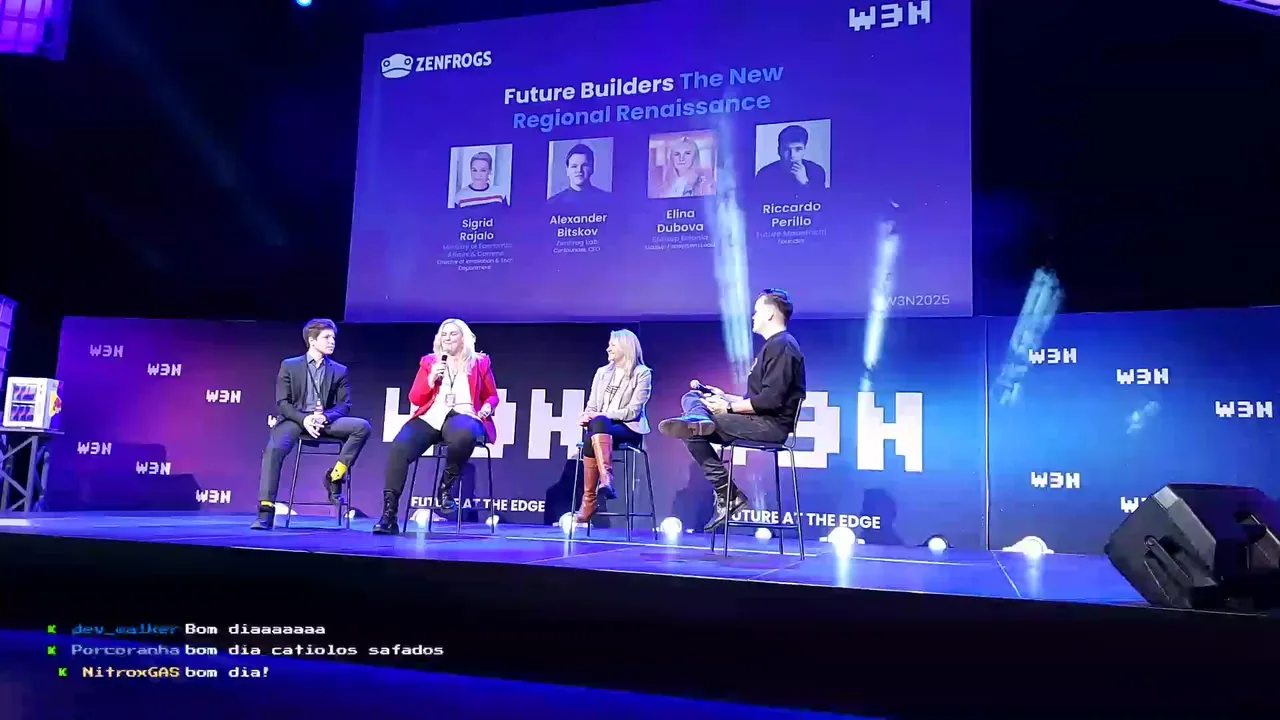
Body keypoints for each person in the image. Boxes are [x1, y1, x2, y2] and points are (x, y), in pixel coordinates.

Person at [657, 289, 806, 531]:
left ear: (770, 313)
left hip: (771, 427)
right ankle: (698, 418)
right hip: (759, 419)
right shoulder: (773, 347)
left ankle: (727, 493)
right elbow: (755, 400)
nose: (753, 316)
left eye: (757, 311)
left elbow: (770, 401)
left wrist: (727, 407)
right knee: (694, 397)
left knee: (691, 430)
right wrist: (723, 396)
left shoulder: (783, 346)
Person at [373, 318, 499, 535]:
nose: (447, 338)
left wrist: (487, 407)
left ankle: (445, 490)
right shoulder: (429, 362)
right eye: (444, 334)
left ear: (464, 339)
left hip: (465, 414)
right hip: (433, 415)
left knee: (464, 433)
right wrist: (431, 379)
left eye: (453, 334)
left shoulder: (479, 362)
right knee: (400, 446)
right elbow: (415, 398)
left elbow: (492, 396)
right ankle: (389, 515)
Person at [253, 319, 372, 530]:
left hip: (325, 421)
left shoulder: (339, 370)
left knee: (362, 427)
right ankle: (265, 510)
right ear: (312, 340)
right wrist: (304, 419)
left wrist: (325, 417)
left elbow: (344, 405)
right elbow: (282, 403)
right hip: (295, 420)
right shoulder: (290, 366)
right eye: (327, 337)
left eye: (333, 337)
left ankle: (335, 476)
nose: (332, 341)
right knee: (274, 450)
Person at [574, 329, 652, 522]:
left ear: (625, 347)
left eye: (612, 345)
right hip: (600, 429)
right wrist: (586, 415)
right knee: (597, 425)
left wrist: (602, 415)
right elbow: (592, 406)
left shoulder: (642, 374)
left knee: (597, 426)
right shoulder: (602, 373)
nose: (608, 348)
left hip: (628, 428)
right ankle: (606, 481)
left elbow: (633, 411)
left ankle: (590, 500)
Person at [754, 125, 827, 195]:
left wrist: (805, 183)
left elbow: (822, 200)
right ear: (779, 150)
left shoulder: (817, 171)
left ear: (804, 150)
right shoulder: (764, 175)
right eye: (786, 149)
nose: (792, 155)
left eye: (798, 149)